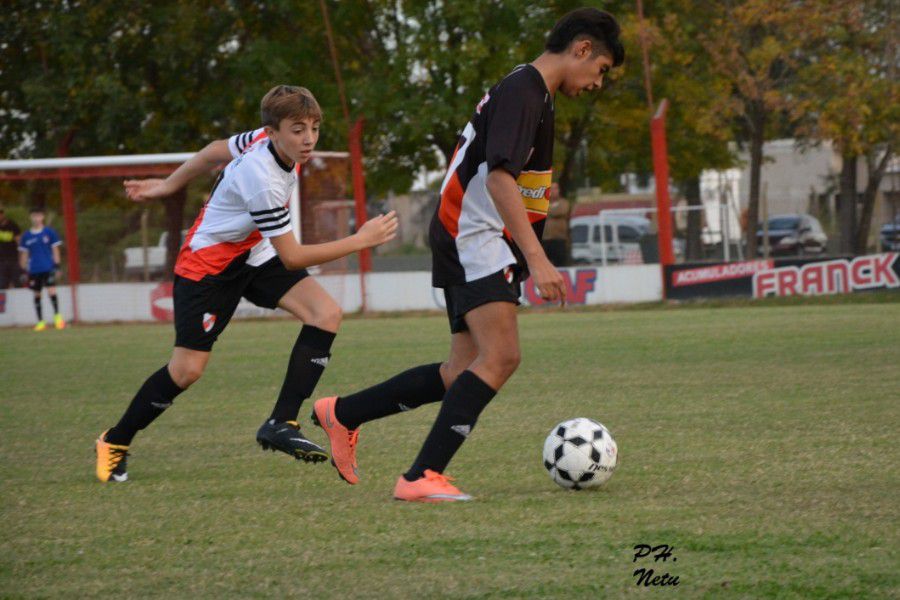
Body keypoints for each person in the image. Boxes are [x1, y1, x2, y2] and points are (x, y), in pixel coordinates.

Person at [311, 8, 624, 502]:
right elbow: (499, 177)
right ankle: (421, 476)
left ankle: (343, 413)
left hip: (468, 234)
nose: (597, 82)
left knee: (461, 371)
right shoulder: (527, 92)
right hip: (474, 234)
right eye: (601, 69)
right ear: (582, 49)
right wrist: (537, 257)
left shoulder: (529, 90)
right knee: (501, 356)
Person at [94, 85, 398, 483]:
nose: (308, 139)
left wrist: (170, 184)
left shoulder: (266, 141)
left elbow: (214, 150)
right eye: (297, 129)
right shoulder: (263, 178)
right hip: (209, 266)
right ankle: (115, 440)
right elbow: (293, 255)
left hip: (253, 253)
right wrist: (360, 241)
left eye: (314, 127)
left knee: (325, 313)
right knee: (186, 371)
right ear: (272, 132)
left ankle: (281, 422)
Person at [18, 207, 65, 330]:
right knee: (37, 294)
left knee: (52, 291)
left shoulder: (49, 232)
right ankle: (41, 322)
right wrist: (23, 270)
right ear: (31, 217)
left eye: (38, 215)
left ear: (42, 217)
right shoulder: (26, 236)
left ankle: (57, 318)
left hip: (48, 267)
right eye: (34, 216)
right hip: (34, 269)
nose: (36, 218)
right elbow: (24, 254)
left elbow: (55, 250)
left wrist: (57, 266)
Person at [542, 182, 572, 266]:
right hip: (545, 240)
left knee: (560, 264)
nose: (554, 191)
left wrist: (546, 212)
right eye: (551, 189)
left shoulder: (564, 202)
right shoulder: (544, 203)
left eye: (556, 188)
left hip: (559, 240)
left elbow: (561, 211)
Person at [0, 205, 22, 290]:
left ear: (2, 214)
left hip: (13, 259)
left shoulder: (12, 225)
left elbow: (19, 242)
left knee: (17, 282)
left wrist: (21, 258)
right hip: (1, 261)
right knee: (2, 284)